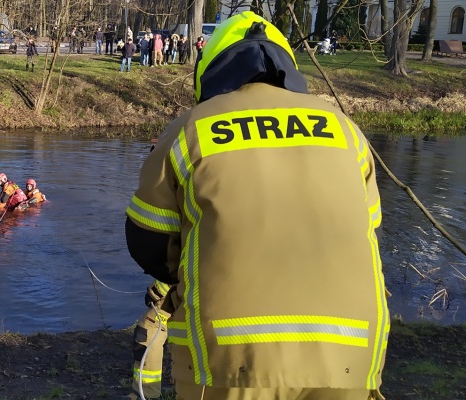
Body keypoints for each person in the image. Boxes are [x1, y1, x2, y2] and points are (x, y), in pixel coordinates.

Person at [124, 11, 387, 400]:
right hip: (349, 357)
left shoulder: (191, 129)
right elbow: (369, 229)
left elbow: (148, 240)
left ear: (211, 68)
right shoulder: (345, 129)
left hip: (228, 359)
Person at [129, 280, 173, 400]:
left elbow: (172, 273)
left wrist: (154, 293)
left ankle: (147, 394)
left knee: (147, 333)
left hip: (174, 303)